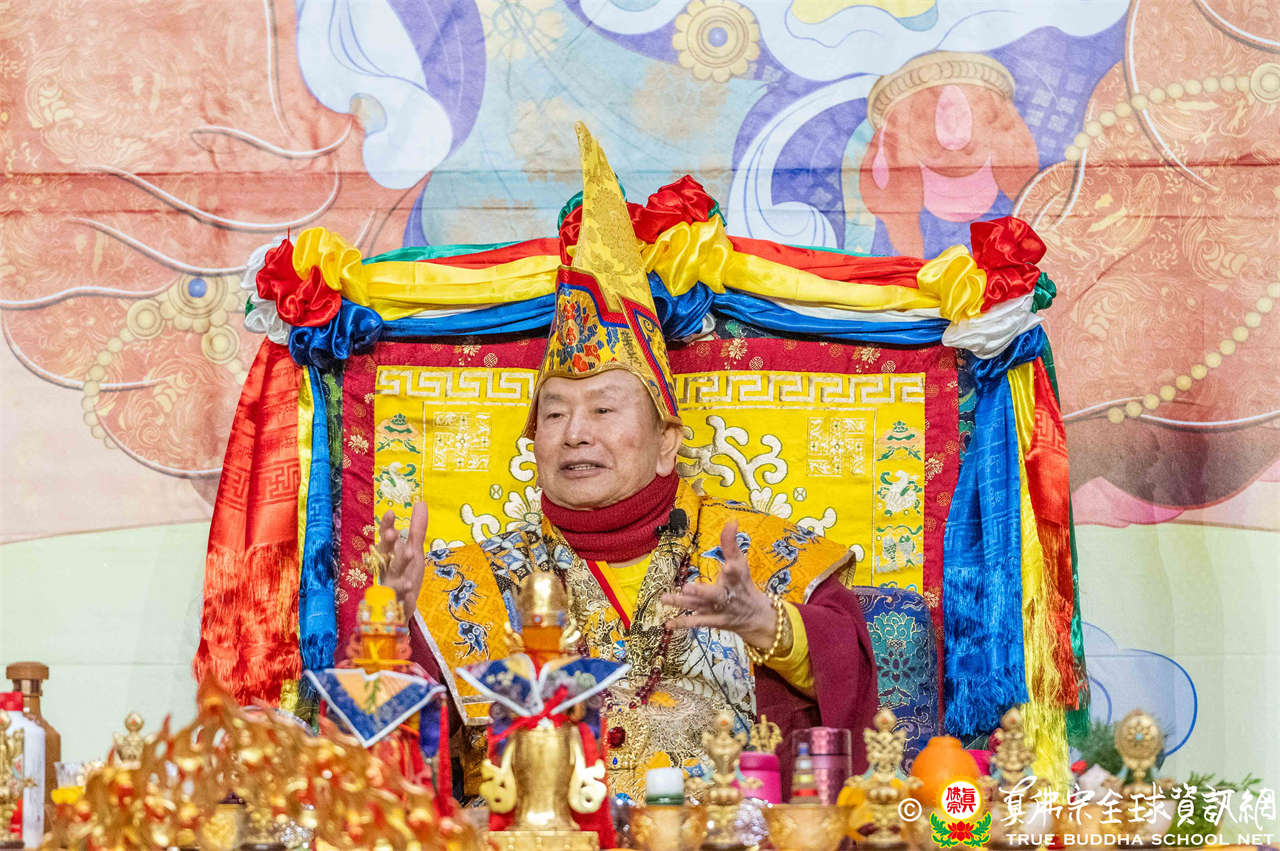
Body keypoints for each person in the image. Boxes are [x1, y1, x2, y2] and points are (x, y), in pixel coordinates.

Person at [371, 123, 878, 800]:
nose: (575, 434)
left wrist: (767, 624)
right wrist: (390, 627)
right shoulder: (465, 583)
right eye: (554, 414)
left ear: (668, 442)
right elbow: (388, 775)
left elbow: (854, 685)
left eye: (605, 409)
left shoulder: (754, 554)